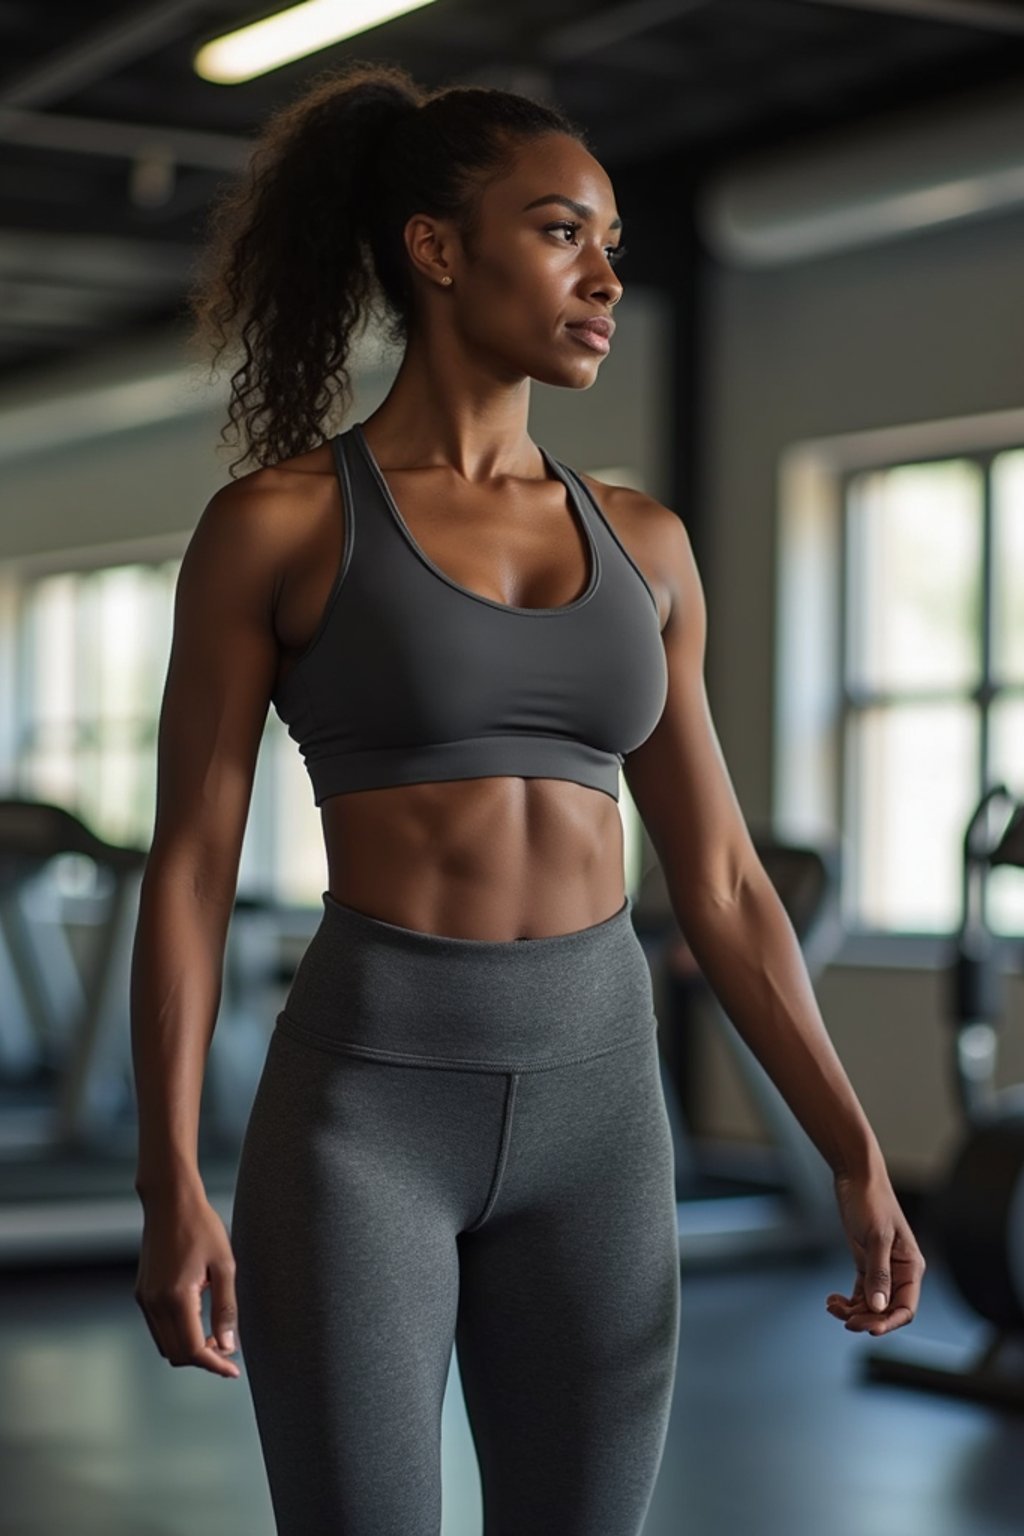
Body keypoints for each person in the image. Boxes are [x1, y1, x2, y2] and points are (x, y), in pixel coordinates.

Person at [130, 59, 926, 1536]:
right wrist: (167, 1173)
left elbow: (730, 885)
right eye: (563, 231)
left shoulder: (647, 542)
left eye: (612, 242)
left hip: (601, 1107)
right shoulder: (283, 523)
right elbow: (187, 865)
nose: (604, 275)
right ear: (437, 248)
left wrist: (853, 1147)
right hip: (365, 1110)